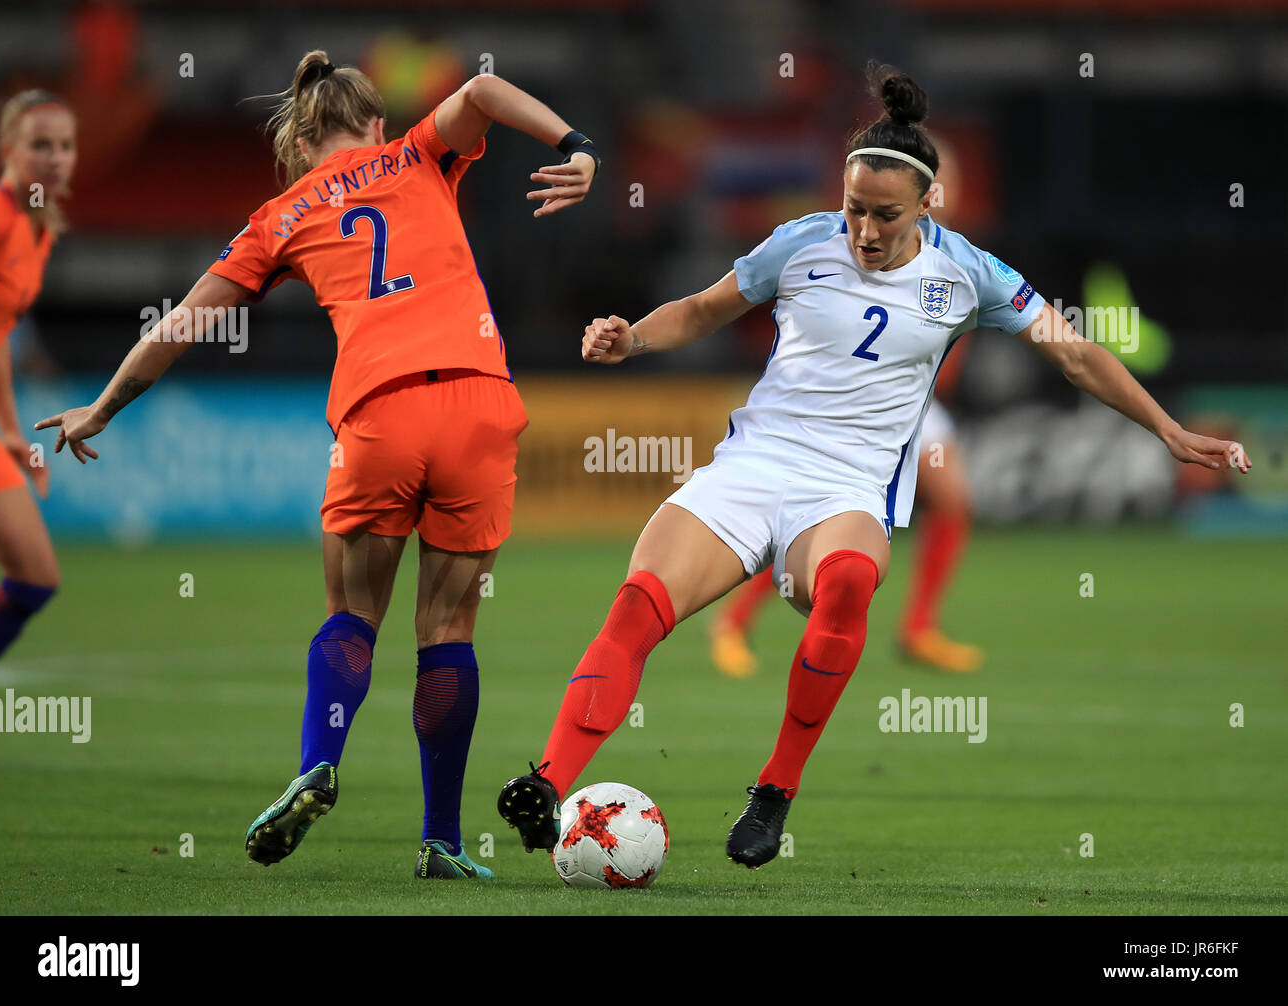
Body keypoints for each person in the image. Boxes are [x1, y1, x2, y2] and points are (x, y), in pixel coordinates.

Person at [497, 66, 1249, 870]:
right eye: (855, 208)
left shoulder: (969, 273)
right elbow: (704, 308)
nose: (864, 230)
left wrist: (1166, 428)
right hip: (752, 466)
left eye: (886, 215)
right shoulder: (799, 242)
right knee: (639, 606)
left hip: (848, 489)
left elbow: (1075, 356)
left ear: (928, 204)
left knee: (850, 581)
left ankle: (774, 792)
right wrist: (632, 337)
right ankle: (549, 784)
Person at [37, 51, 600, 880]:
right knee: (447, 631)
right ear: (374, 127)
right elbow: (481, 90)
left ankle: (317, 761)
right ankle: (441, 841)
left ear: (299, 144)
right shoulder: (415, 153)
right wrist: (576, 145)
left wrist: (103, 406)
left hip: (380, 414)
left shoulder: (281, 214)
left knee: (351, 616)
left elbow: (183, 321)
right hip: (481, 400)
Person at [709, 137, 981, 676]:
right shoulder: (852, 241)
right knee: (819, 516)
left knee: (951, 502)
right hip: (849, 410)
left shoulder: (957, 258)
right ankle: (734, 620)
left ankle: (919, 627)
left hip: (911, 406)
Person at [0, 91, 76, 670]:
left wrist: (11, 429)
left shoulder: (39, 231)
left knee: (36, 578)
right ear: (8, 149)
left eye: (66, 146)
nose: (55, 158)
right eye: (39, 145)